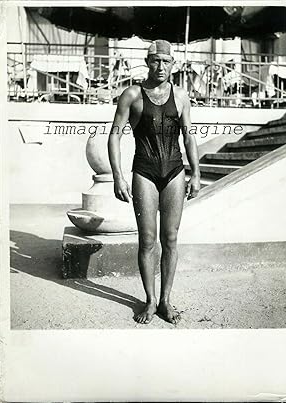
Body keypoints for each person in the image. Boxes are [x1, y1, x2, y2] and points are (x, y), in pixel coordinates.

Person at [108, 39, 200, 325]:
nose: (160, 66)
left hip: (174, 170)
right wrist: (118, 176)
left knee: (170, 238)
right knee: (147, 240)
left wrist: (195, 172)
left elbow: (188, 136)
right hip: (144, 171)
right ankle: (150, 300)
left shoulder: (182, 96)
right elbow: (115, 134)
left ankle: (166, 301)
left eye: (166, 61)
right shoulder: (132, 94)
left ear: (173, 64)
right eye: (155, 61)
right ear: (147, 62)